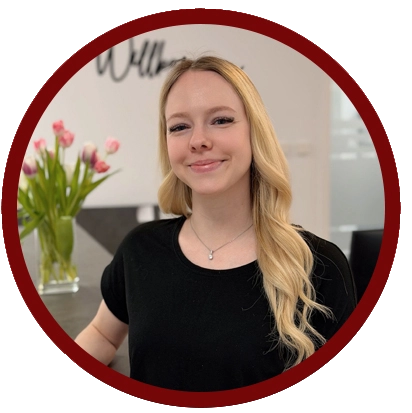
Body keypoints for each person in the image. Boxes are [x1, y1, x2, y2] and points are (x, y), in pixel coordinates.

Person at [74, 55, 357, 392]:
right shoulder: (139, 250)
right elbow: (103, 334)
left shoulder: (320, 267)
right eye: (179, 126)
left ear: (254, 131)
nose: (198, 140)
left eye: (221, 120)